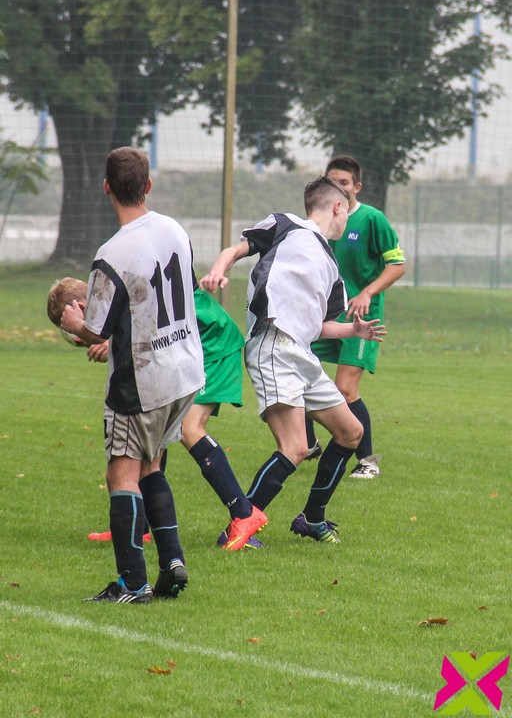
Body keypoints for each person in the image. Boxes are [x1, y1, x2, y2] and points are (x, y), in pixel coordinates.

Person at [60, 147, 266, 605]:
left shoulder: (111, 254)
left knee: (122, 473)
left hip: (143, 379)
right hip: (186, 370)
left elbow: (96, 329)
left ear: (106, 187)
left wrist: (74, 323)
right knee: (151, 464)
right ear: (148, 185)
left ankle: (133, 584)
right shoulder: (174, 229)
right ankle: (172, 562)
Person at [200, 176, 387, 544]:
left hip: (301, 352)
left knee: (351, 433)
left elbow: (320, 326)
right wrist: (218, 269)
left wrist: (353, 330)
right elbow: (236, 250)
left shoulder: (330, 266)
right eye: (346, 212)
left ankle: (312, 518)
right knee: (296, 447)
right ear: (337, 207)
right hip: (273, 342)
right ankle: (238, 529)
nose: (347, 219)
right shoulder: (287, 225)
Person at [48, 278, 265, 550]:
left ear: (81, 307)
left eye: (69, 326)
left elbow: (155, 316)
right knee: (152, 433)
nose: (76, 337)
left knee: (189, 428)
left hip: (211, 342)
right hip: (184, 347)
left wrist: (111, 340)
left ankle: (243, 511)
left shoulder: (119, 288)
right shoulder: (114, 292)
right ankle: (136, 526)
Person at [308, 155, 406, 478]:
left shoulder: (371, 219)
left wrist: (367, 293)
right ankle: (307, 443)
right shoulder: (320, 220)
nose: (339, 187)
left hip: (361, 319)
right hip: (326, 315)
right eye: (333, 181)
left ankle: (368, 462)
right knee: (299, 376)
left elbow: (397, 265)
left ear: (357, 186)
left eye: (345, 182)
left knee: (345, 389)